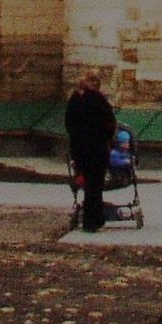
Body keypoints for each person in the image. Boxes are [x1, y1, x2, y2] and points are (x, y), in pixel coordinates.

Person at [65, 70, 116, 232]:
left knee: (87, 184)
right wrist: (107, 139)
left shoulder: (73, 100)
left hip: (79, 149)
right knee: (96, 185)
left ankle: (90, 219)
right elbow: (110, 123)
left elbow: (69, 124)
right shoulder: (98, 100)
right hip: (97, 149)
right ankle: (93, 220)